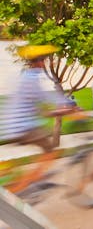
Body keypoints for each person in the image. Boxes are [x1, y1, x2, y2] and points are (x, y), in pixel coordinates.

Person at [0, 45, 76, 192]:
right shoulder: (32, 79)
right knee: (50, 151)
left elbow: (37, 106)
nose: (45, 63)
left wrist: (54, 111)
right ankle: (23, 187)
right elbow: (46, 97)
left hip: (13, 125)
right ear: (39, 62)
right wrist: (69, 105)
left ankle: (24, 179)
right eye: (44, 60)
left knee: (43, 149)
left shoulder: (25, 76)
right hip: (23, 126)